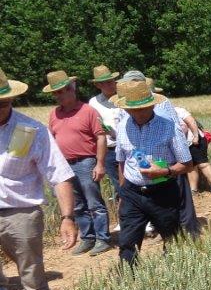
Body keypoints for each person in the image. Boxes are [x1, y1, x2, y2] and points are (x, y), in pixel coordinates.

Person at [0, 68, 78, 290]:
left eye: (4, 103)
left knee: (32, 279)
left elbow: (58, 174)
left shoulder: (29, 130)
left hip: (20, 214)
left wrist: (68, 217)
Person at [112, 79, 194, 265]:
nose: (138, 113)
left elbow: (187, 164)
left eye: (143, 108)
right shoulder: (123, 126)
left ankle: (173, 272)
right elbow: (121, 161)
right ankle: (128, 279)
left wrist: (165, 171)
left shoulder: (168, 126)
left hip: (163, 192)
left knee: (172, 238)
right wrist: (123, 191)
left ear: (152, 104)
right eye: (133, 110)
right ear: (126, 109)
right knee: (127, 242)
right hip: (132, 193)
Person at [123, 70, 201, 239]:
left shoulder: (162, 102)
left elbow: (176, 128)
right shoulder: (125, 104)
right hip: (142, 161)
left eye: (136, 82)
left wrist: (172, 159)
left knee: (180, 197)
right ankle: (165, 230)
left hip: (167, 158)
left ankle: (189, 232)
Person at [44, 70, 112, 256]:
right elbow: (51, 138)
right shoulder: (54, 114)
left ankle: (103, 238)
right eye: (55, 93)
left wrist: (100, 164)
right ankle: (88, 238)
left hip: (86, 162)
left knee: (93, 202)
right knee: (77, 205)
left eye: (60, 92)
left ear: (71, 89)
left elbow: (100, 138)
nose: (57, 96)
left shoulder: (88, 111)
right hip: (65, 165)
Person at [87, 65, 125, 199]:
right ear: (98, 85)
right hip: (108, 149)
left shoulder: (124, 97)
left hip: (128, 147)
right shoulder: (93, 103)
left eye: (111, 81)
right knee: (118, 184)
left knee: (132, 181)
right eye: (106, 83)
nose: (110, 85)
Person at [174, 105, 211, 196]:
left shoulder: (178, 111)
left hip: (194, 139)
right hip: (182, 145)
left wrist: (196, 137)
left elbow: (192, 122)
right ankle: (194, 190)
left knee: (202, 163)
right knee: (190, 166)